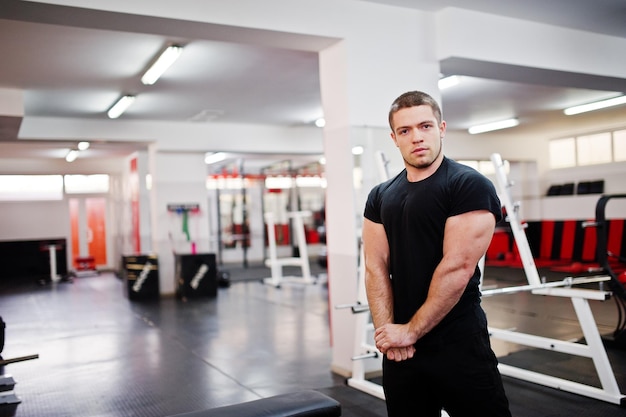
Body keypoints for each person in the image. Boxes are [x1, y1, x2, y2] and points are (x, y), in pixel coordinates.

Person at [362, 91, 511, 416]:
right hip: (403, 348)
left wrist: (410, 331)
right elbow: (375, 266)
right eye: (405, 131)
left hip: (457, 341)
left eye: (425, 126)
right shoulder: (380, 195)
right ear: (394, 138)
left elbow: (456, 268)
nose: (417, 137)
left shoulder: (468, 185)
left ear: (441, 127)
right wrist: (389, 333)